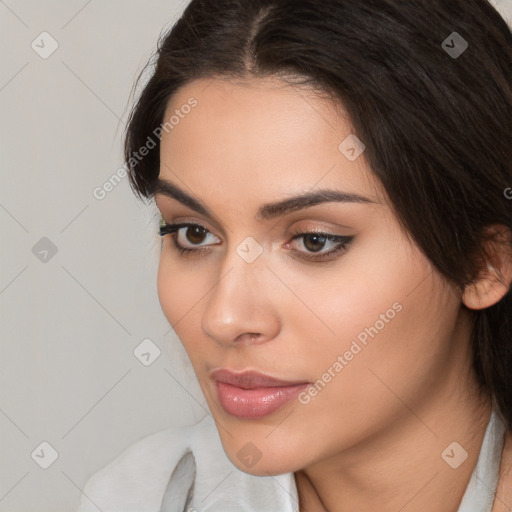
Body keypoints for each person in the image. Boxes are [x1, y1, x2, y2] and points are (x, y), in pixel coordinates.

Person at [78, 0, 512, 510]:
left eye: (314, 241)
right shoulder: (140, 498)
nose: (223, 317)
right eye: (193, 233)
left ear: (484, 263)